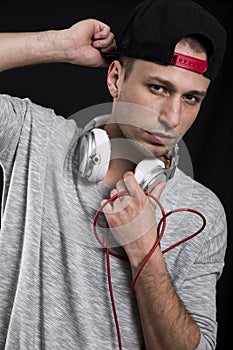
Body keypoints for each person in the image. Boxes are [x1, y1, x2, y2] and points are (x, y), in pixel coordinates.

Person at [0, 0, 228, 349]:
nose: (172, 116)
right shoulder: (33, 139)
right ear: (116, 78)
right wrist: (57, 45)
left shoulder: (201, 212)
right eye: (158, 88)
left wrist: (145, 253)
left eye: (191, 98)